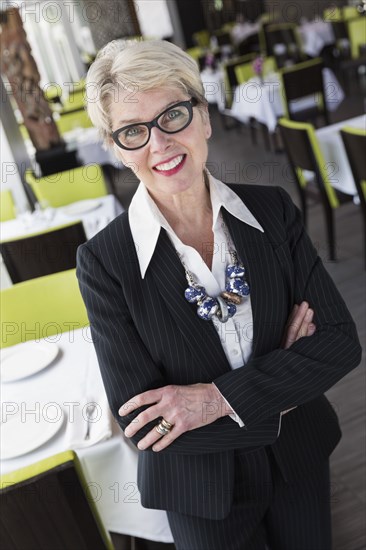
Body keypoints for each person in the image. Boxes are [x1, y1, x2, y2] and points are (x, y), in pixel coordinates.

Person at [76, 39, 361, 550]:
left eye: (173, 115)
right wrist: (284, 390)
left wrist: (214, 400)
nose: (159, 143)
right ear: (117, 149)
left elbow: (340, 341)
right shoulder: (104, 263)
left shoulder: (273, 210)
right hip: (202, 493)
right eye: (133, 132)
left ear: (204, 116)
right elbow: (146, 425)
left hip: (301, 461)